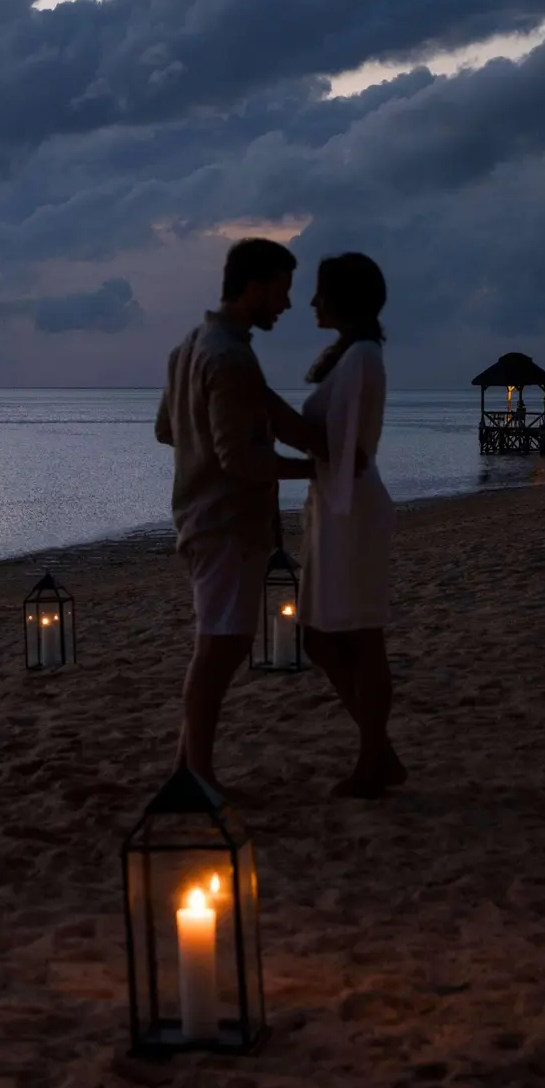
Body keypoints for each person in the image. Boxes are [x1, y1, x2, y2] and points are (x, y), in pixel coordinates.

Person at [153, 237, 317, 789]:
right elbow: (241, 458)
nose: (287, 305)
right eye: (280, 292)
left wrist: (305, 439)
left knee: (222, 643)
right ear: (252, 288)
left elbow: (165, 428)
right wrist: (312, 471)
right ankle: (197, 776)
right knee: (218, 649)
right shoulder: (228, 356)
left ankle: (187, 766)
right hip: (223, 525)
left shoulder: (189, 348)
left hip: (203, 518)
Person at [297, 252, 404, 798]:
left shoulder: (362, 357)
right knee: (319, 638)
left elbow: (348, 453)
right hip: (333, 509)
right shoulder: (351, 356)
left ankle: (373, 757)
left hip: (351, 511)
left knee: (362, 638)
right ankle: (377, 750)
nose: (313, 303)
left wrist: (267, 413)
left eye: (321, 293)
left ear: (345, 297)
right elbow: (333, 452)